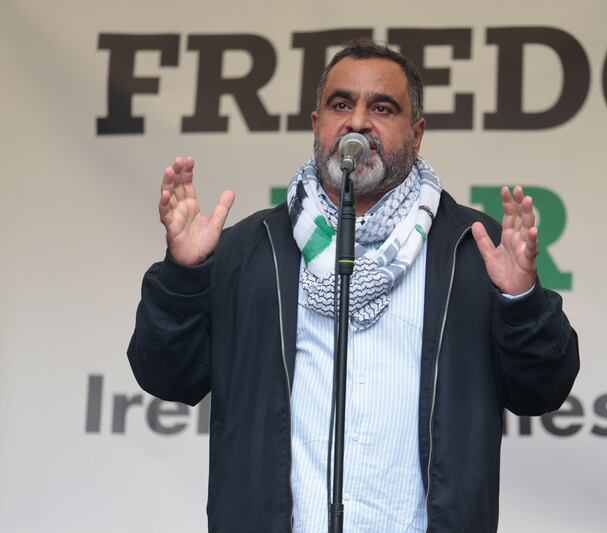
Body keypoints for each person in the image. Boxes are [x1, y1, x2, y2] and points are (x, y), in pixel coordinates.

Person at [128, 38, 579, 533]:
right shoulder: (250, 249)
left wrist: (521, 301)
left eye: (382, 108)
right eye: (341, 104)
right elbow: (167, 377)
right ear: (316, 124)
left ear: (417, 133)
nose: (358, 122)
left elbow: (543, 390)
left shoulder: (472, 248)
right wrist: (184, 275)